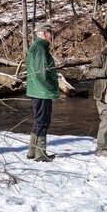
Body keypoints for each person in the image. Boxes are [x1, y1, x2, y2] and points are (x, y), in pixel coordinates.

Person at [26, 22, 61, 162]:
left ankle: (32, 152)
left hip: (36, 90)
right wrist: (53, 87)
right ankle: (40, 154)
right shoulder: (40, 48)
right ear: (44, 33)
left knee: (38, 121)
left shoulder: (37, 46)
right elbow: (41, 73)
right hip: (42, 91)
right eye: (50, 33)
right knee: (43, 122)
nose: (52, 35)